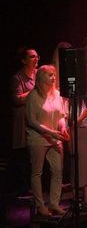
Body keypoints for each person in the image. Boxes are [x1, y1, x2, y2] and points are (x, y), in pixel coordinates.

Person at [26, 65, 69, 216]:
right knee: (37, 172)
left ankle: (54, 204)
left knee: (57, 171)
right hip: (38, 138)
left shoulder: (57, 94)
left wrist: (62, 127)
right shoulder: (33, 96)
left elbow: (62, 115)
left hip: (55, 139)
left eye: (54, 75)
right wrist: (51, 132)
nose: (53, 77)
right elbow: (32, 121)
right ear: (41, 77)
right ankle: (40, 205)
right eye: (50, 75)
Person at [10, 47, 39, 195]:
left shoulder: (38, 74)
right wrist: (35, 91)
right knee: (23, 155)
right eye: (32, 57)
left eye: (37, 56)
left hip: (37, 118)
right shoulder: (18, 78)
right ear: (24, 60)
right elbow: (17, 99)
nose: (36, 59)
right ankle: (22, 188)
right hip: (23, 120)